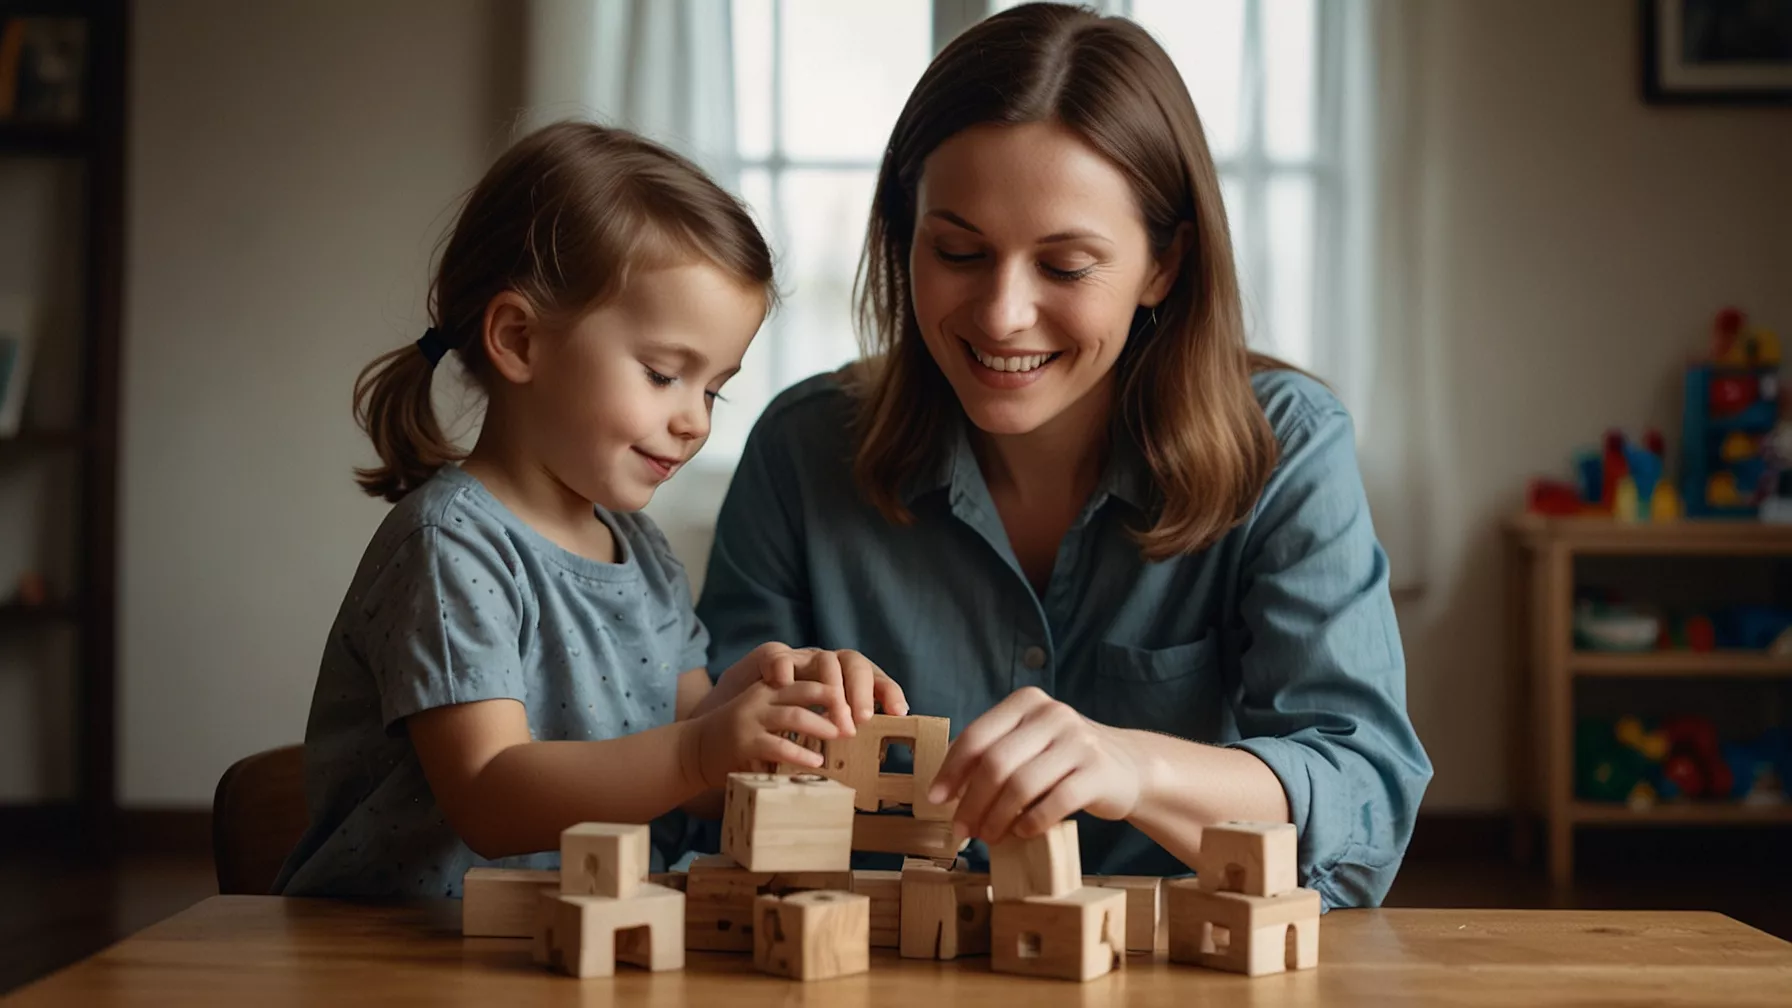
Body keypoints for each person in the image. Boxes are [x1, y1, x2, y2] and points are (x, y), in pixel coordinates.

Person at [696, 3, 1431, 908]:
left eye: (1067, 266)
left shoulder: (1286, 445)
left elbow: (1365, 801)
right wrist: (755, 721)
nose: (1003, 314)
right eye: (958, 251)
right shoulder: (800, 449)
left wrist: (1135, 768)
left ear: (1164, 265)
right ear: (905, 239)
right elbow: (698, 802)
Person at [276, 121, 905, 898]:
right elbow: (490, 795)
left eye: (713, 388)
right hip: (397, 954)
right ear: (519, 340)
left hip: (569, 947)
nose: (696, 420)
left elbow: (694, 776)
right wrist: (696, 750)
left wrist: (763, 712)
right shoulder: (451, 548)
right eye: (662, 374)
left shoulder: (642, 553)